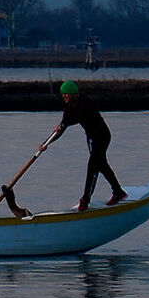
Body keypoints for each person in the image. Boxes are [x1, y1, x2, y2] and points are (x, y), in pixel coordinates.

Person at [56, 80, 125, 208]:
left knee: (93, 166)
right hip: (91, 139)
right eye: (63, 94)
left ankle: (85, 200)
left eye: (67, 94)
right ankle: (118, 192)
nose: (64, 96)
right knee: (101, 165)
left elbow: (77, 118)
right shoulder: (69, 108)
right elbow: (62, 128)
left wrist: (63, 124)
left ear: (74, 94)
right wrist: (45, 144)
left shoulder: (85, 103)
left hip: (102, 136)